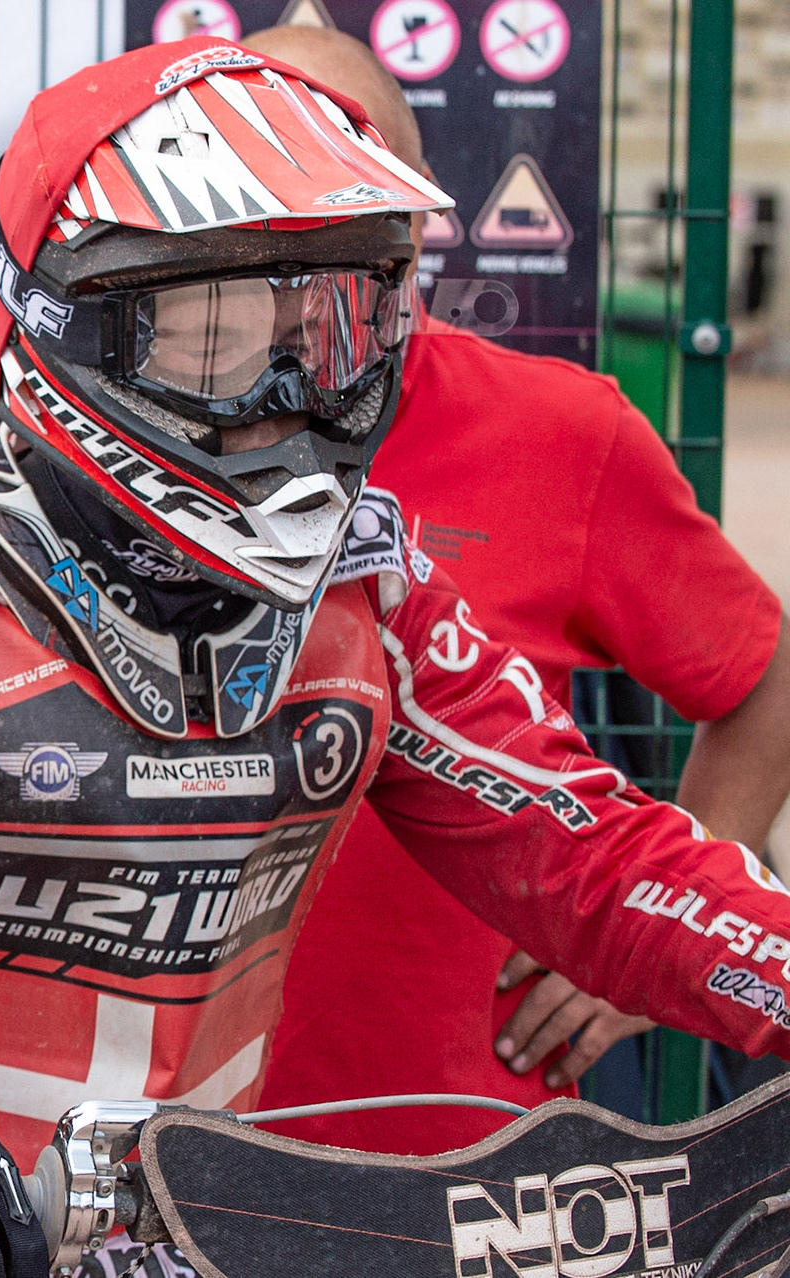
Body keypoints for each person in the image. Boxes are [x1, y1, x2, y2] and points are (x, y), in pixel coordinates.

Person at [0, 40, 790, 1278]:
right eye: (218, 334)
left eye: (333, 327)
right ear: (68, 320)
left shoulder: (367, 593)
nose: (290, 394)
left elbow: (588, 850)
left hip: (216, 1234)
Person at [240, 24, 790, 1154]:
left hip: (475, 1140)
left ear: (415, 217)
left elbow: (764, 675)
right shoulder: (114, 442)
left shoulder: (560, 432)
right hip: (176, 1143)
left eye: (350, 207)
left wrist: (655, 947)